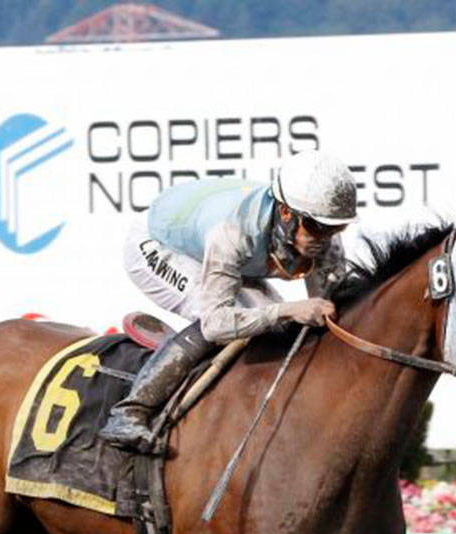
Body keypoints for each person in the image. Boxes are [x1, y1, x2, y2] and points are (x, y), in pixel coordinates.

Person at [99, 150, 358, 453]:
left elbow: (334, 312)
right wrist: (289, 310)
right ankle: (129, 412)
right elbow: (216, 324)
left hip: (218, 249)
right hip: (157, 245)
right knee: (242, 319)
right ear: (287, 212)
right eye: (317, 227)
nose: (324, 238)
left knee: (275, 325)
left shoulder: (319, 231)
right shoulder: (232, 232)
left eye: (336, 228)